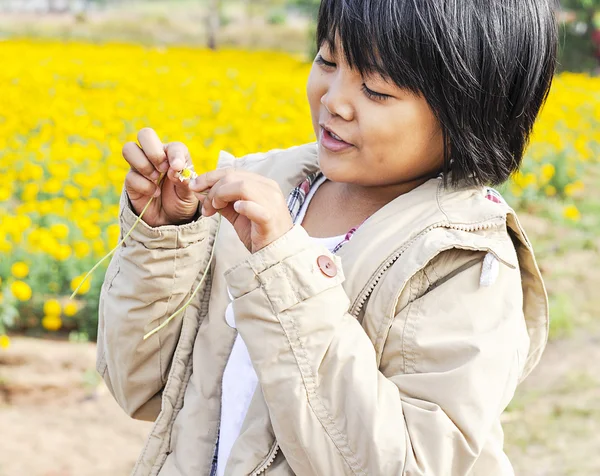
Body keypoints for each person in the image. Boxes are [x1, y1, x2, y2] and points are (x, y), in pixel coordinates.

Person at [97, 0, 557, 474]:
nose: (333, 100)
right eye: (327, 61)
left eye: (375, 89)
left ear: (471, 109)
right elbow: (145, 387)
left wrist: (284, 267)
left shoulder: (465, 262)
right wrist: (166, 235)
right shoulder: (260, 188)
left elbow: (404, 463)